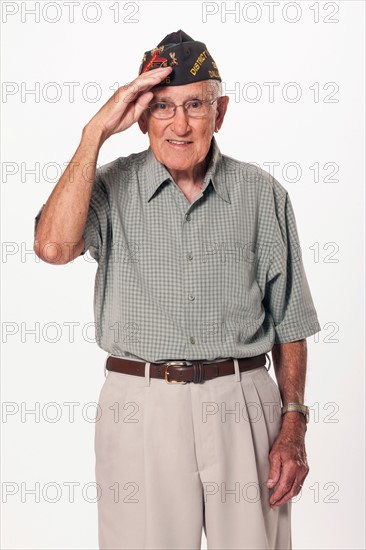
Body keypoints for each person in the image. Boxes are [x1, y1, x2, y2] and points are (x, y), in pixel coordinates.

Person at [34, 30, 321, 550]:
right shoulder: (107, 188)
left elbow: (292, 322)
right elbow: (52, 248)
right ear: (141, 117)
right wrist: (94, 132)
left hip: (244, 402)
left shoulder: (262, 194)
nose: (180, 124)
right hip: (140, 405)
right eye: (163, 108)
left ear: (221, 111)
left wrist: (293, 423)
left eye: (195, 105)